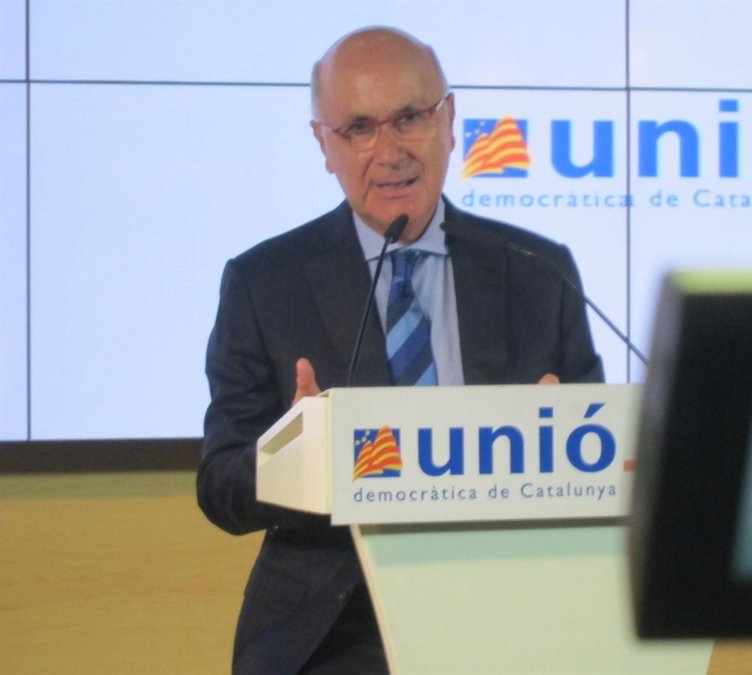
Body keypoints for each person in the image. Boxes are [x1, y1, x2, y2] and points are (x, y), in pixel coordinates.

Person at [197, 27, 603, 674]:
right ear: (324, 145)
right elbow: (220, 488)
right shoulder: (264, 283)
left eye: (410, 118)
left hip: (509, 603)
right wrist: (294, 455)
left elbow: (603, 473)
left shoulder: (537, 270)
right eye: (359, 128)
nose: (390, 152)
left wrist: (566, 445)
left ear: (449, 122)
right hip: (339, 626)